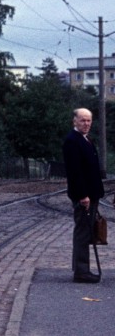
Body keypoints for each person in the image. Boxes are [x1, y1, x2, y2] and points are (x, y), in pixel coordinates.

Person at [63, 107, 104, 283]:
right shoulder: (72, 141)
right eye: (82, 120)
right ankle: (81, 271)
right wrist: (82, 196)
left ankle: (82, 268)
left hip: (90, 194)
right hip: (84, 196)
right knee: (83, 232)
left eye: (88, 120)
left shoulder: (84, 139)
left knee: (86, 231)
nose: (86, 123)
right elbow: (75, 172)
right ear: (75, 121)